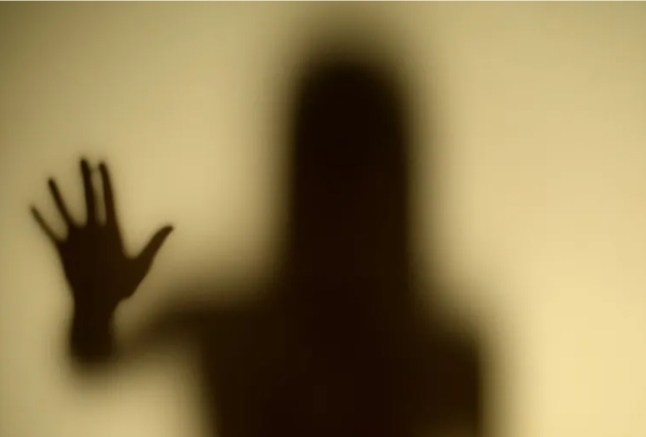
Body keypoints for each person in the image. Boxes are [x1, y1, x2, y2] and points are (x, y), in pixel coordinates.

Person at [32, 51, 484, 437]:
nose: (346, 205)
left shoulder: (446, 358)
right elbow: (96, 362)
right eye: (331, 171)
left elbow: (95, 362)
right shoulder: (223, 323)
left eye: (360, 175)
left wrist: (93, 313)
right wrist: (92, 311)